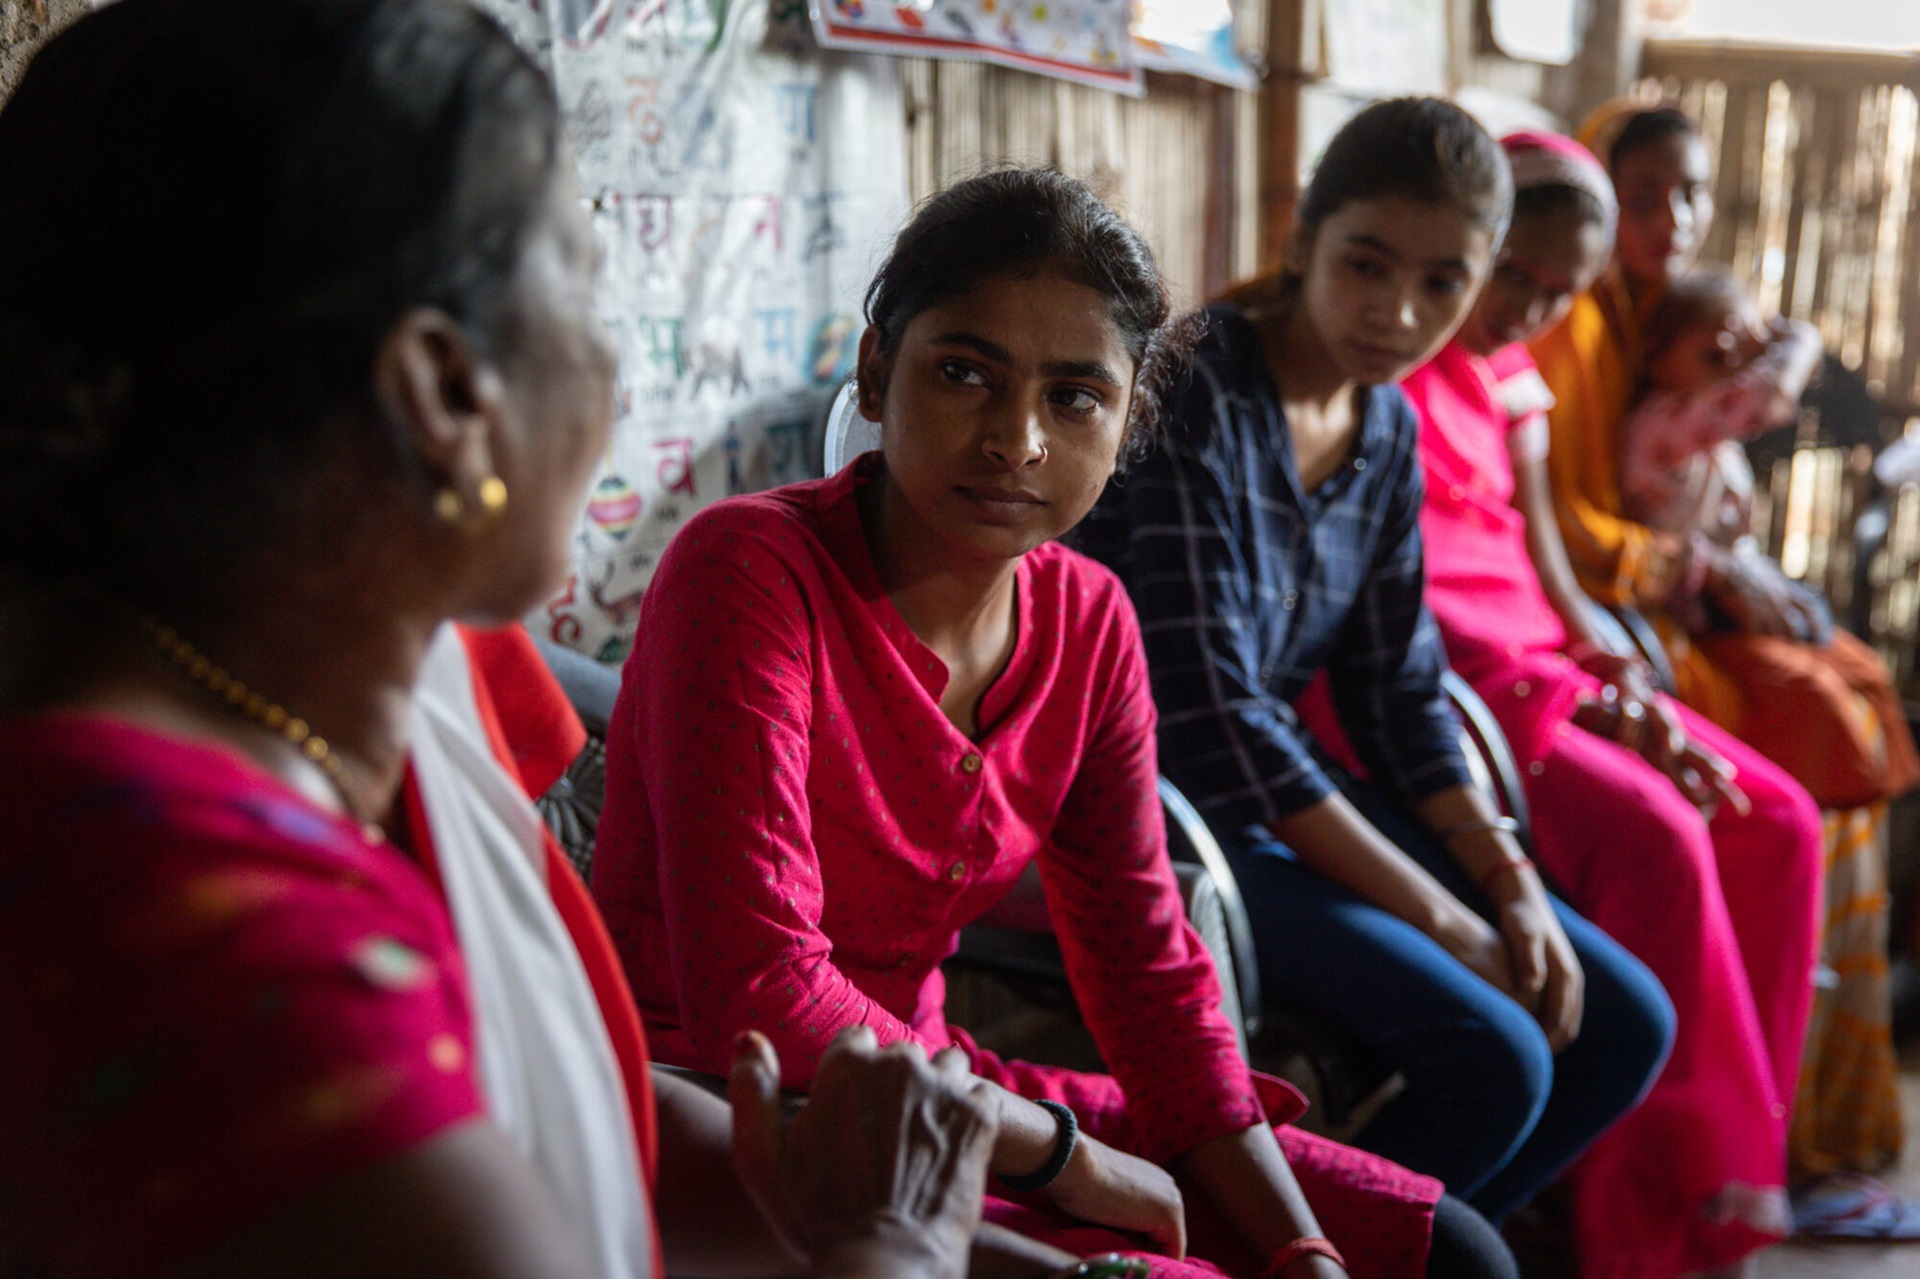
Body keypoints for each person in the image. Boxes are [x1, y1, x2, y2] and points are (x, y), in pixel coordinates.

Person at [0, 3, 1010, 1278]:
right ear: (445, 397)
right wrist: (897, 1247)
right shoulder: (185, 924)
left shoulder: (396, 669)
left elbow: (582, 1111)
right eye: (586, 292)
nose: (618, 380)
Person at [594, 165, 1519, 1279]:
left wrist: (1302, 1248)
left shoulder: (1089, 624)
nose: (1017, 440)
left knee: (1450, 1252)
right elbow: (761, 985)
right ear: (878, 371)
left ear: (1129, 425)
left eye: (1075, 396)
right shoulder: (748, 570)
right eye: (965, 375)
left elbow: (1148, 974)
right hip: (721, 1116)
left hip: (948, 1096)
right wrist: (1068, 1161)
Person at [1070, 97, 1671, 1236]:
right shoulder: (1195, 390)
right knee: (1496, 1054)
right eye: (1367, 263)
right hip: (1151, 818)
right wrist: (1452, 924)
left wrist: (1507, 884)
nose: (1398, 311)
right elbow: (1212, 721)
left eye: (1444, 282)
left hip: (1277, 809)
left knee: (1623, 1023)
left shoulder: (1385, 428)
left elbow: (1397, 690)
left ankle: (1388, 1249)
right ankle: (1289, 1251)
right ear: (1303, 241)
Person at [1402, 128, 1826, 1279]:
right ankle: (1628, 1222)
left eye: (1559, 289)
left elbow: (1537, 551)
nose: (1527, 308)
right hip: (1457, 678)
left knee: (1776, 820)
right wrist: (1561, 692)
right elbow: (1392, 602)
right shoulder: (1389, 353)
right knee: (1663, 839)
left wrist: (1608, 661)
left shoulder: (1511, 367)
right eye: (1512, 276)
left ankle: (1727, 1178)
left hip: (1543, 649)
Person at [1529, 98, 1920, 1192]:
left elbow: (1797, 393)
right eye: (1642, 196)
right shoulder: (1578, 326)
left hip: (1658, 596)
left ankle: (1810, 1110)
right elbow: (1570, 531)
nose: (1672, 219)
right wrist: (1701, 570)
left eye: (1688, 194)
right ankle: (1763, 1133)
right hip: (1620, 611)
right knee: (1821, 726)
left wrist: (1787, 350)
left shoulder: (1666, 307)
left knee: (1856, 683)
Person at [1619, 269, 1824, 637]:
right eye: (1714, 357)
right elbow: (1770, 399)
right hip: (1695, 591)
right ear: (1657, 352)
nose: (1732, 377)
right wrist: (1802, 342)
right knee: (1809, 641)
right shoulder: (1668, 419)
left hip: (1726, 570)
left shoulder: (1699, 408)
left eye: (1741, 361)